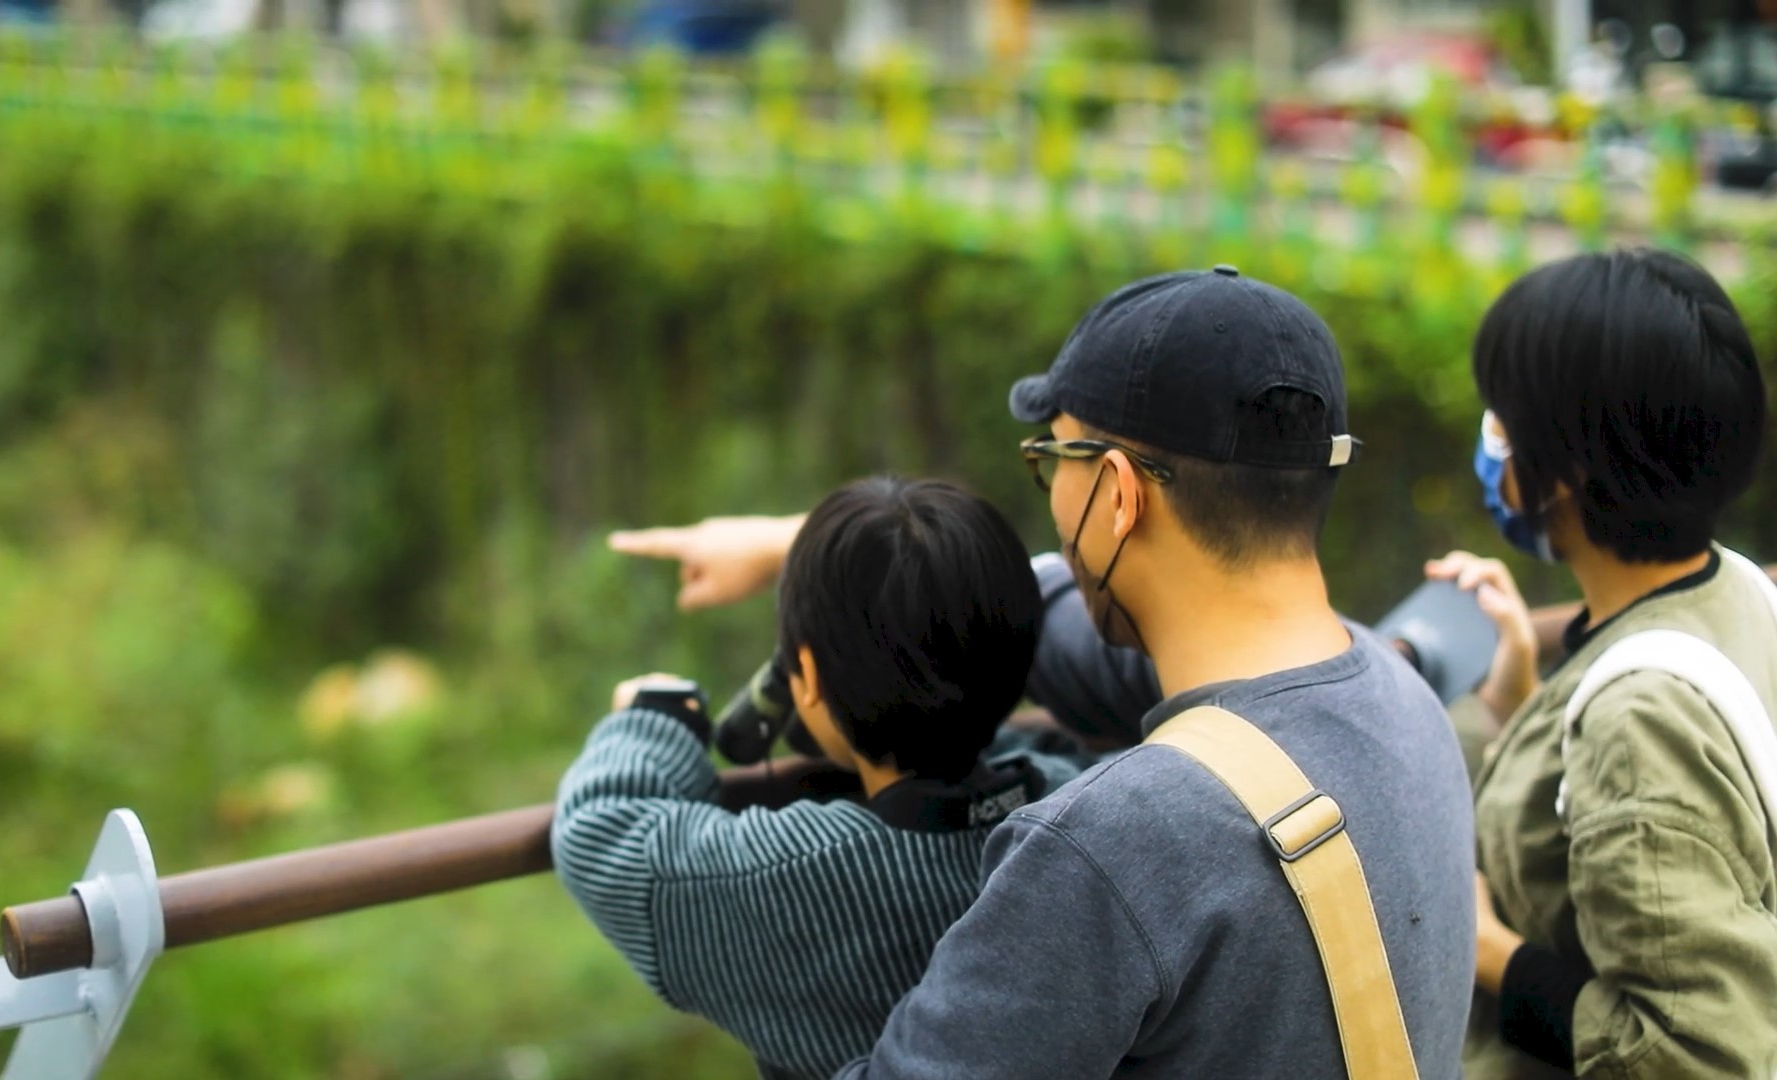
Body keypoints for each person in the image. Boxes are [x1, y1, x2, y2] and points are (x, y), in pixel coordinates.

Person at [617, 268, 1478, 1078]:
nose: (1052, 500)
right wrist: (804, 548)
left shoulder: (1107, 848)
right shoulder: (1404, 698)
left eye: (1053, 462)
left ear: (1115, 492)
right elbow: (1050, 602)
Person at [552, 477, 1088, 1080]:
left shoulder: (797, 878)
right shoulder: (1082, 805)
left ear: (804, 673)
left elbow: (601, 831)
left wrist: (655, 714)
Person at [1427, 249, 1776, 1078]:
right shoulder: (1734, 588)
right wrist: (1521, 703)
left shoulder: (1637, 718)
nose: (1492, 441)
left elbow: (1700, 1053)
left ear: (1569, 473)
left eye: (1504, 421)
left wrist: (1489, 951)